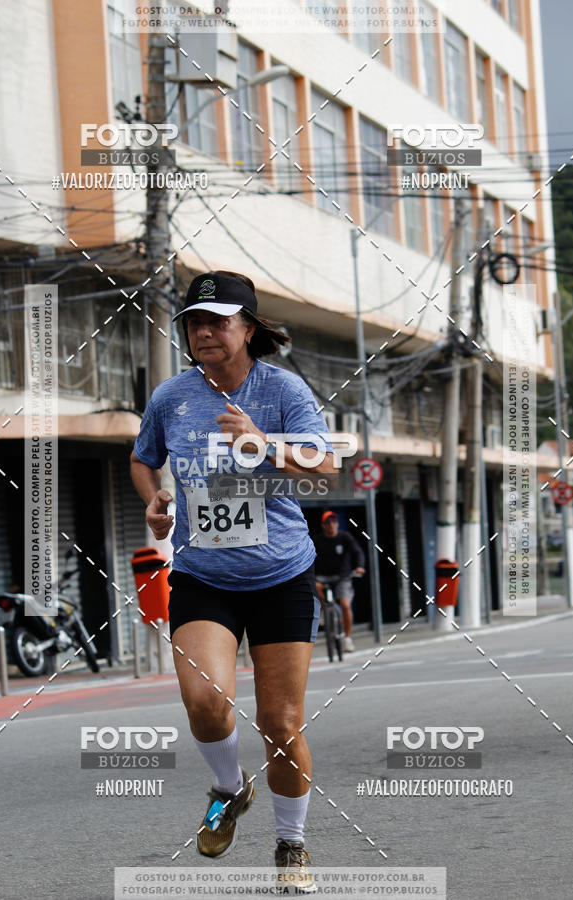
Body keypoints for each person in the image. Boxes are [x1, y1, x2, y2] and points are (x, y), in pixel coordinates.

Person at [130, 270, 337, 892]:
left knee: (280, 724)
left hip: (282, 576)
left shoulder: (284, 390)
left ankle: (291, 844)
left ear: (248, 328)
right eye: (195, 321)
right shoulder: (172, 397)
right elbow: (143, 458)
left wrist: (263, 443)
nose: (205, 331)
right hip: (203, 576)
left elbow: (324, 472)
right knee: (204, 702)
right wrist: (155, 499)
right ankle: (227, 786)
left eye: (219, 321)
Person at [313, 511, 366, 652]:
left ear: (337, 523)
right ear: (323, 525)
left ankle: (348, 639)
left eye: (334, 521)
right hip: (323, 577)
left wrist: (360, 566)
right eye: (328, 522)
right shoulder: (317, 540)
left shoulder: (345, 537)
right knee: (316, 587)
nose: (331, 525)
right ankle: (325, 611)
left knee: (345, 605)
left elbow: (358, 552)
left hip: (343, 577)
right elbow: (309, 558)